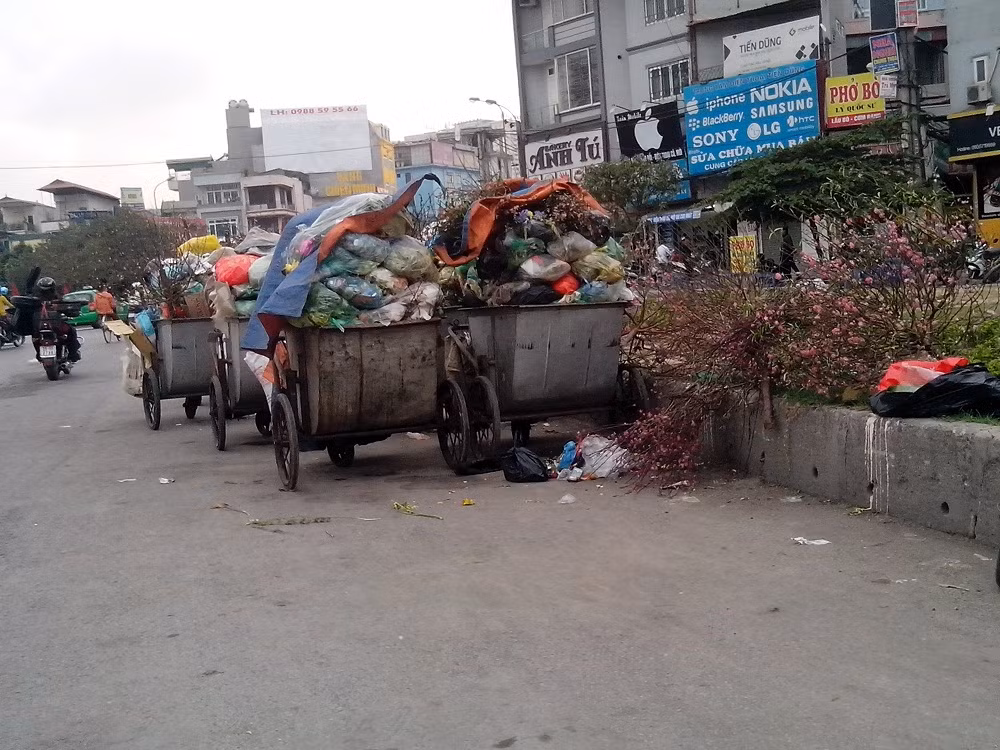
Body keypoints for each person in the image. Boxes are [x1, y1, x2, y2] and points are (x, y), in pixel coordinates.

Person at [32, 277, 81, 362]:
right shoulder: (37, 300)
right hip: (54, 327)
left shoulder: (35, 300)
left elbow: (67, 308)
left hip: (41, 327)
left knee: (35, 336)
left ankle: (72, 353)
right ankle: (73, 354)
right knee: (71, 331)